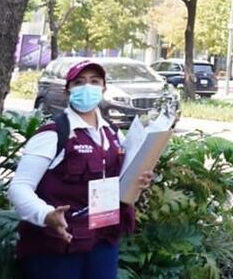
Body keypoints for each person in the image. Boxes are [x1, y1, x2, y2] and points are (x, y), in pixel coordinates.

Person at [8, 61, 151, 279]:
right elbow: (19, 188)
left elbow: (121, 182)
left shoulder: (113, 134)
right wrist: (46, 215)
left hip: (103, 240)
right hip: (58, 245)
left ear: (104, 88)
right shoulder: (54, 134)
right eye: (79, 82)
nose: (87, 87)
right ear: (67, 91)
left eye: (94, 82)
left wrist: (137, 182)